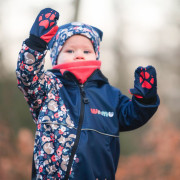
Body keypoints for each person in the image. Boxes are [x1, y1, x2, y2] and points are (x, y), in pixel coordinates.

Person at [16, 8, 160, 180]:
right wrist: (36, 44)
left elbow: (134, 115)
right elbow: (27, 77)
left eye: (86, 51)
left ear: (96, 55)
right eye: (69, 51)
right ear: (55, 57)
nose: (79, 56)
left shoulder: (110, 95)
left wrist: (145, 98)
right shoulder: (48, 87)